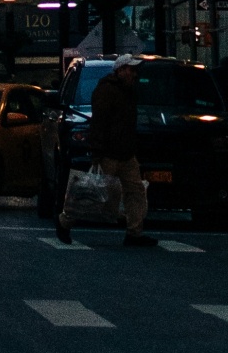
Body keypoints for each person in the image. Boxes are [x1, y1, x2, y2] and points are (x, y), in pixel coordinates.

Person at [56, 54, 157, 245]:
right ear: (120, 70)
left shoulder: (127, 91)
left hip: (125, 152)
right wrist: (97, 152)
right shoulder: (107, 91)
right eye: (130, 69)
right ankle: (65, 221)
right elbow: (99, 123)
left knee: (134, 192)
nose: (134, 73)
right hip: (110, 153)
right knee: (94, 196)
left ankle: (134, 232)